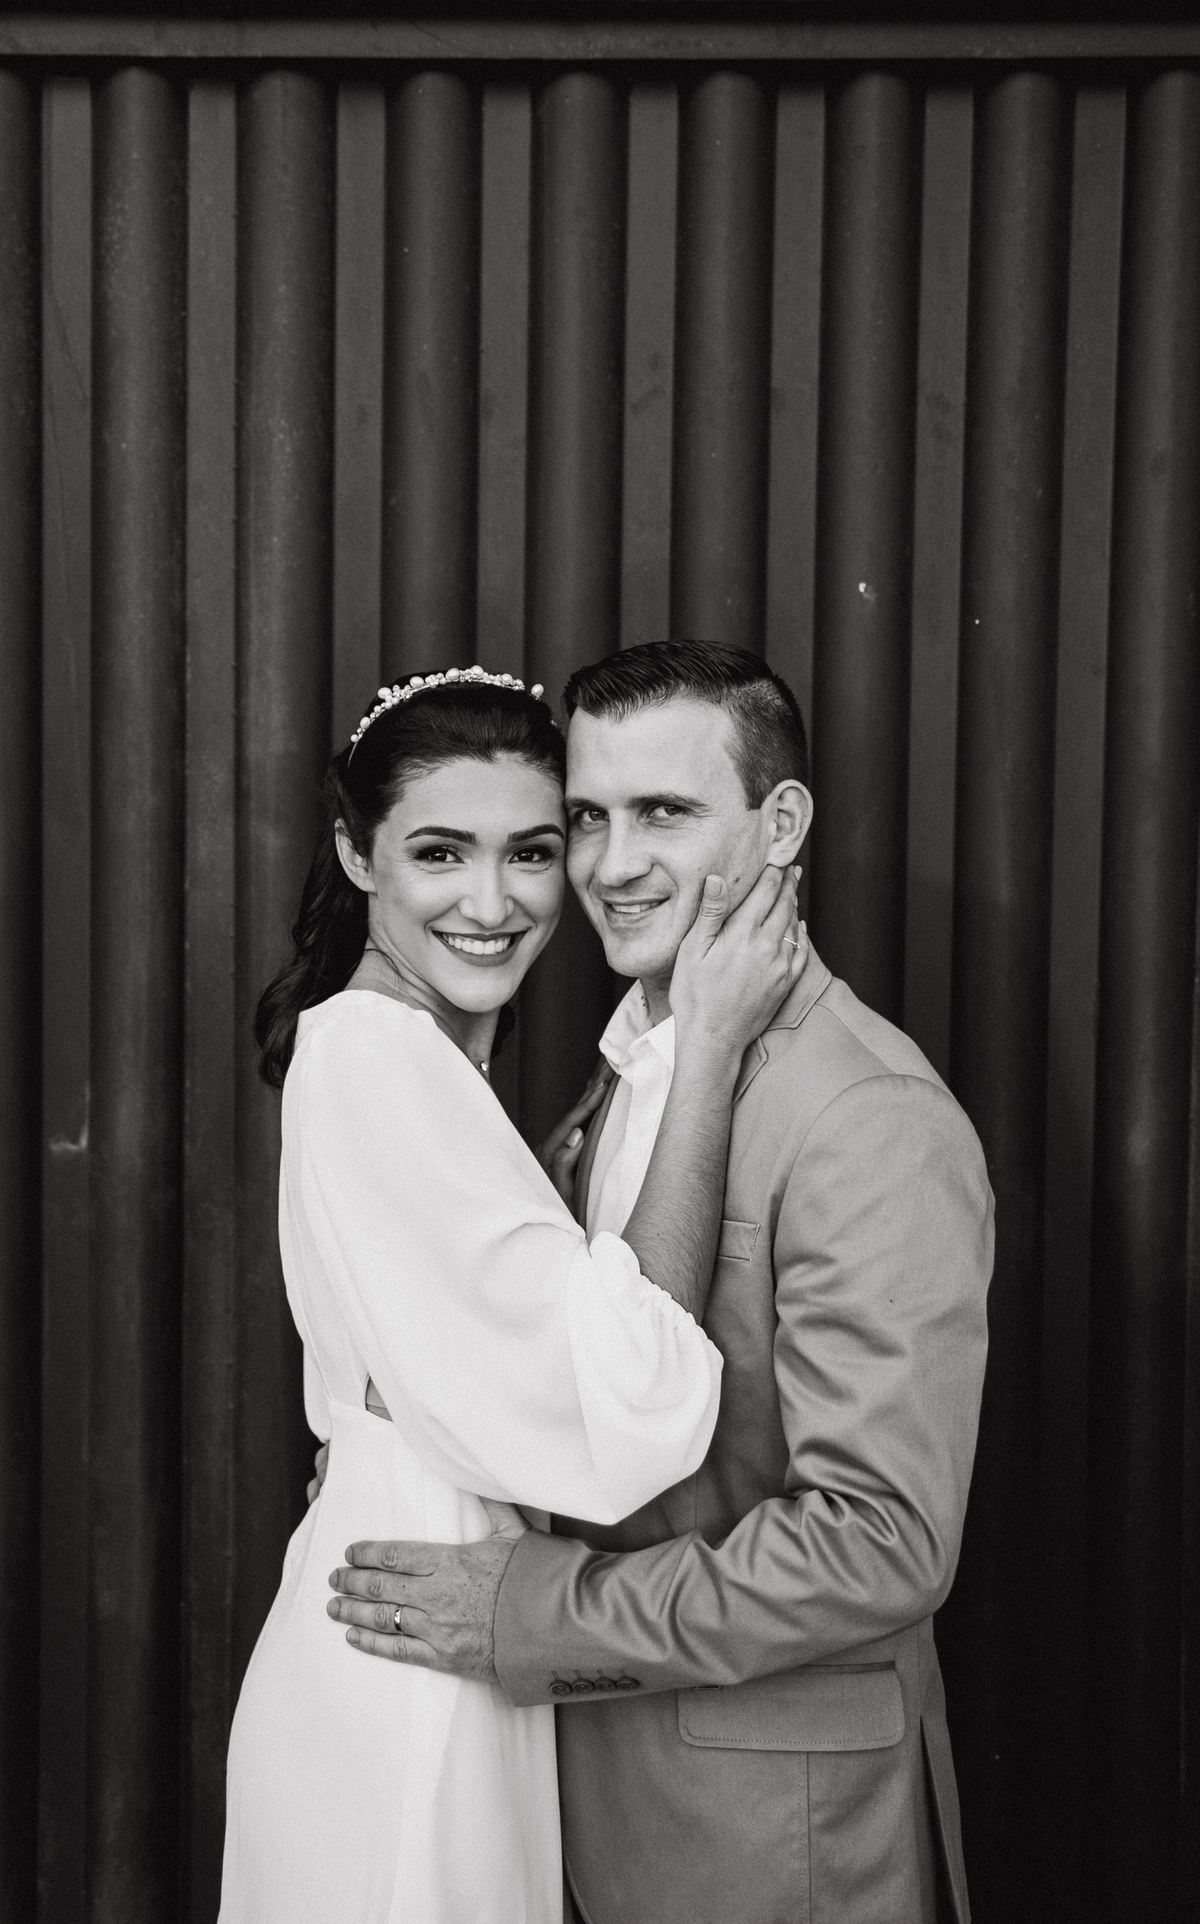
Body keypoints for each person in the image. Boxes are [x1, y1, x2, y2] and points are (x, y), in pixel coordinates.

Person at [327, 641, 994, 1924]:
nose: (612, 864)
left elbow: (881, 1544)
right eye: (588, 817)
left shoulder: (870, 1115)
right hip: (580, 1814)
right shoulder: (640, 1057)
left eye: (665, 814)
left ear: (780, 823)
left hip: (774, 1845)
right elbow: (582, 1371)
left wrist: (531, 1612)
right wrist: (428, 1465)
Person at [217, 662, 806, 1924]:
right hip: (408, 1661)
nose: (493, 902)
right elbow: (628, 1391)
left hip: (438, 1606)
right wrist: (707, 1048)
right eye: (440, 851)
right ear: (357, 855)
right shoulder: (379, 1056)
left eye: (532, 851)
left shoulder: (405, 1054)